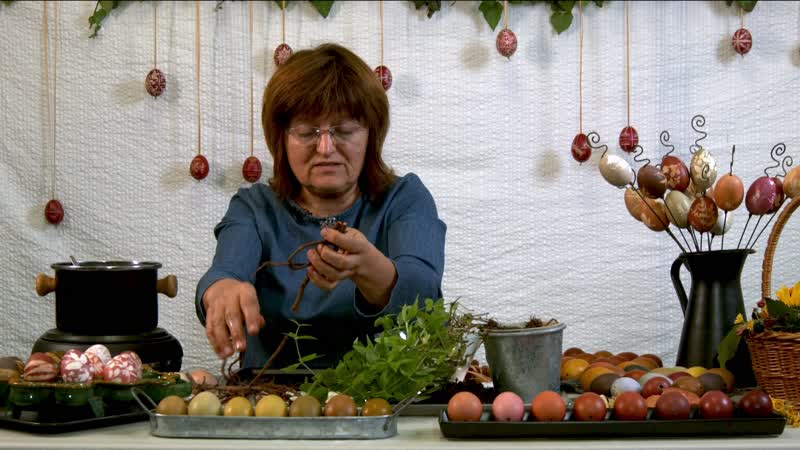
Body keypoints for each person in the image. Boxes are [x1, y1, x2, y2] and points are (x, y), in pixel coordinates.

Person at [195, 43, 446, 370]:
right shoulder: (255, 207)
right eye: (306, 131)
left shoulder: (404, 198)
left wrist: (370, 269)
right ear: (281, 137)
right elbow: (225, 271)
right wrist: (220, 291)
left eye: (344, 130)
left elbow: (425, 297)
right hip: (271, 400)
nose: (326, 148)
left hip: (381, 400)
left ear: (371, 135)